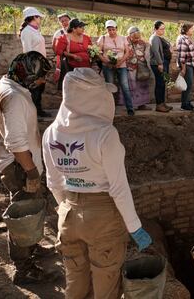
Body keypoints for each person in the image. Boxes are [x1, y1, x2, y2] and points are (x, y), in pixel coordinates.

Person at [42, 67, 152, 298]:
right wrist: (135, 227)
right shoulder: (104, 134)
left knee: (75, 282)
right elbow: (119, 188)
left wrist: (68, 206)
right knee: (106, 285)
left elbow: (53, 183)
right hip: (102, 217)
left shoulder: (51, 133)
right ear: (94, 96)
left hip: (68, 215)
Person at [0, 51, 52, 284]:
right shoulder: (14, 97)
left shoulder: (5, 85)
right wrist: (32, 172)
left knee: (28, 210)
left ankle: (32, 248)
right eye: (40, 77)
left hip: (16, 163)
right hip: (19, 166)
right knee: (22, 215)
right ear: (27, 73)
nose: (42, 82)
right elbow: (15, 141)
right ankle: (23, 267)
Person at [97, 20, 134, 116]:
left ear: (116, 28)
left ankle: (130, 108)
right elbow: (98, 52)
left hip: (121, 65)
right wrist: (106, 62)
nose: (112, 31)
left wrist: (120, 62)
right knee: (110, 87)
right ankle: (110, 110)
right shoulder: (103, 38)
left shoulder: (123, 38)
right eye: (109, 30)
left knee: (125, 86)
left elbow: (127, 52)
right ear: (107, 30)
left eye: (113, 29)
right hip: (108, 66)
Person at [19, 7, 49, 117]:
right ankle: (34, 112)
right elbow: (27, 50)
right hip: (34, 64)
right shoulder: (27, 31)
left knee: (40, 88)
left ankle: (37, 110)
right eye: (39, 17)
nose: (40, 19)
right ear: (34, 17)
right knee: (35, 89)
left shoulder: (35, 30)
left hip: (40, 64)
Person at [125, 26, 153, 111]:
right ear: (130, 36)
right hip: (130, 68)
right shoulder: (124, 41)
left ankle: (142, 105)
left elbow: (147, 53)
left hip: (141, 68)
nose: (137, 39)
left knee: (142, 86)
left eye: (138, 37)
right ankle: (131, 105)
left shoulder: (142, 43)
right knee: (131, 86)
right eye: (134, 38)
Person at [149, 20, 172, 113]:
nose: (163, 31)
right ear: (155, 29)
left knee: (163, 83)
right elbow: (156, 52)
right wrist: (160, 63)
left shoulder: (159, 37)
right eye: (161, 29)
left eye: (164, 29)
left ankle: (162, 103)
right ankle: (159, 105)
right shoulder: (154, 38)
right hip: (158, 63)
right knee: (160, 84)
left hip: (164, 63)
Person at [176, 23, 194, 111]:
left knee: (190, 84)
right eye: (192, 28)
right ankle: (184, 105)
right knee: (188, 84)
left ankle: (188, 102)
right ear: (187, 30)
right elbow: (182, 54)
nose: (193, 30)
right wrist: (183, 68)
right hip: (187, 64)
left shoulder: (190, 38)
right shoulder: (183, 39)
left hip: (191, 64)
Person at [52, 13, 71, 90]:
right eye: (62, 21)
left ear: (69, 20)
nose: (64, 23)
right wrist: (59, 55)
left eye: (66, 20)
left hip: (73, 57)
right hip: (63, 57)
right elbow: (54, 46)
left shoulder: (75, 31)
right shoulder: (58, 33)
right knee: (64, 75)